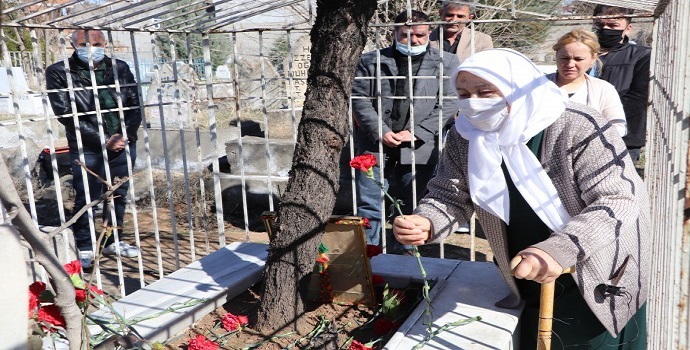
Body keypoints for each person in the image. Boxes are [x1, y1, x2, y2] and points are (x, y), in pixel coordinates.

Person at [393, 49, 649, 349]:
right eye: (463, 93)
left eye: (485, 91)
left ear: (519, 86)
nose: (473, 102)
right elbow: (451, 194)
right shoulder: (466, 136)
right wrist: (427, 221)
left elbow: (618, 198)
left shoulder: (577, 126)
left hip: (595, 268)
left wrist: (559, 250)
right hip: (526, 271)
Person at [351, 10, 459, 251]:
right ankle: (369, 254)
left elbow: (449, 101)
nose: (414, 41)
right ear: (394, 32)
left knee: (414, 205)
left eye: (420, 35)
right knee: (370, 203)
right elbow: (359, 98)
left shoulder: (446, 62)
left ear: (429, 32)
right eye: (406, 35)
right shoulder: (371, 60)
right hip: (375, 144)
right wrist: (380, 130)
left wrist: (418, 131)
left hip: (420, 146)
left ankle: (407, 258)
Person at [46, 29, 141, 269]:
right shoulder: (59, 72)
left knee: (118, 193)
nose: (91, 47)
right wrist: (103, 139)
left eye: (97, 43)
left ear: (105, 43)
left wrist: (125, 135)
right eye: (84, 43)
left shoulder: (118, 68)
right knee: (88, 197)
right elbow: (66, 113)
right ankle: (86, 246)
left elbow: (134, 104)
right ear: (73, 45)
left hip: (122, 143)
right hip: (87, 145)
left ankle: (113, 239)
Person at [591, 5, 651, 163]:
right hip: (581, 135)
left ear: (628, 28)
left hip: (622, 138)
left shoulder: (641, 55)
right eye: (599, 25)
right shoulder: (581, 54)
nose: (605, 29)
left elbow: (638, 97)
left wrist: (596, 115)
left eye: (613, 26)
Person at [546, 29, 626, 137]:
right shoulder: (538, 86)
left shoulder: (604, 89)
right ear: (556, 56)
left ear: (593, 59)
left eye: (578, 59)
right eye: (564, 58)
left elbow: (619, 127)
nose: (570, 64)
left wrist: (590, 138)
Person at [429, 1, 493, 62]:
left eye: (460, 16)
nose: (454, 20)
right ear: (440, 13)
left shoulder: (482, 40)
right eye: (449, 15)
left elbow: (486, 68)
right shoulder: (425, 38)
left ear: (469, 18)